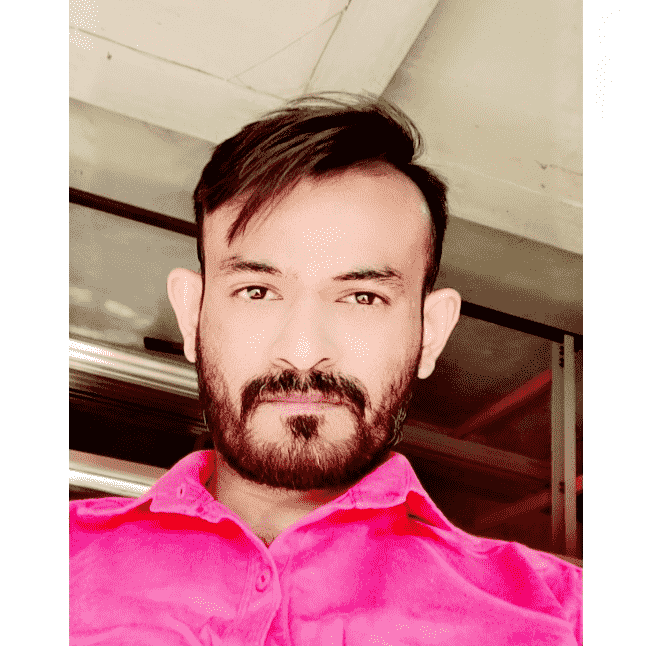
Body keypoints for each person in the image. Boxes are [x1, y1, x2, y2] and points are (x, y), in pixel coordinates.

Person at [70, 93, 582, 645]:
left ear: (430, 333)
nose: (303, 350)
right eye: (257, 291)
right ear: (192, 316)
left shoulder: (572, 616)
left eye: (363, 297)